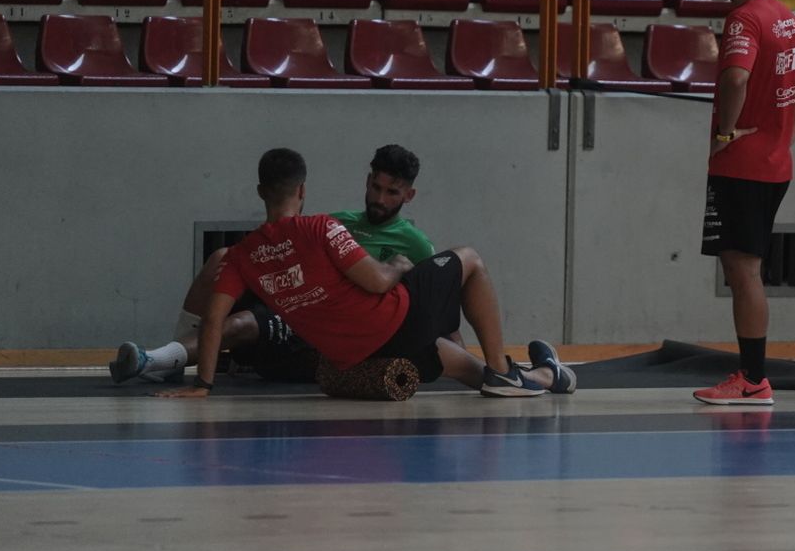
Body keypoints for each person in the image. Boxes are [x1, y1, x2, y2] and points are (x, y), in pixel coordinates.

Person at [153, 148, 576, 399]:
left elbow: (212, 320)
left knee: (468, 370)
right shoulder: (323, 226)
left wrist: (203, 385)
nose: (379, 196)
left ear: (261, 192)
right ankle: (503, 367)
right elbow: (376, 281)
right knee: (470, 258)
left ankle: (548, 376)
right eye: (376, 186)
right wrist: (393, 265)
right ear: (302, 191)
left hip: (358, 353)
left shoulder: (242, 257)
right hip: (395, 321)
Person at [109, 145, 442, 385]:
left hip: (327, 325)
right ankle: (177, 358)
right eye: (375, 187)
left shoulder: (415, 243)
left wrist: (443, 344)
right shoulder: (334, 221)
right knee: (220, 259)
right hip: (294, 298)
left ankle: (161, 359)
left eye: (392, 192)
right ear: (367, 181)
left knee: (240, 324)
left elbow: (428, 303)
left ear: (408, 196)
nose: (380, 199)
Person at [692, 0, 795, 406]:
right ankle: (751, 374)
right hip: (774, 162)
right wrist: (785, 137)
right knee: (746, 268)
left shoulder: (743, 20)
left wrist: (726, 132)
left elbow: (737, 78)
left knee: (744, 271)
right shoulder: (783, 15)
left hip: (741, 165)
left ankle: (752, 378)